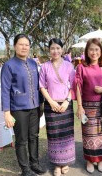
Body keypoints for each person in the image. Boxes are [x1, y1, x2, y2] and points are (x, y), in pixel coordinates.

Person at [1, 34, 45, 176]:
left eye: (27, 44)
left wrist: (41, 104)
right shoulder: (9, 65)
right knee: (21, 140)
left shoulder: (33, 63)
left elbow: (38, 85)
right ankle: (25, 169)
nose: (24, 47)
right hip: (18, 108)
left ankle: (34, 163)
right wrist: (6, 112)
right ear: (15, 46)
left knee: (34, 136)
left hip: (34, 107)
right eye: (21, 44)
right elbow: (5, 89)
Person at [74, 38, 102, 173]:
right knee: (90, 135)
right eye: (91, 49)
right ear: (87, 51)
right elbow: (78, 87)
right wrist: (80, 106)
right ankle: (90, 160)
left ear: (101, 51)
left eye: (97, 49)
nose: (94, 52)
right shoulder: (81, 67)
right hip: (88, 106)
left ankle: (101, 159)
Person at [39, 38, 75, 176]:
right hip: (51, 106)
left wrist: (66, 101)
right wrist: (51, 102)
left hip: (66, 104)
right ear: (49, 50)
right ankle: (56, 164)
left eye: (58, 48)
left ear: (62, 49)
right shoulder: (45, 66)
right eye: (52, 48)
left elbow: (73, 86)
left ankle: (65, 162)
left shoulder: (69, 66)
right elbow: (42, 86)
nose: (55, 51)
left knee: (66, 134)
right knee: (54, 135)